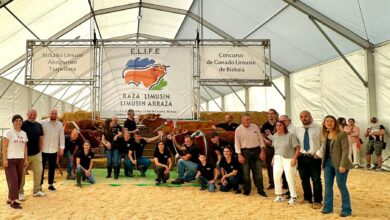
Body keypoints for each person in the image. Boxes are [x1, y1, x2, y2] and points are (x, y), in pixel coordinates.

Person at [321, 115, 353, 217]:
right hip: (327, 164)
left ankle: (346, 210)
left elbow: (345, 150)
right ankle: (327, 208)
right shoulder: (325, 134)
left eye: (331, 121)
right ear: (324, 123)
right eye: (327, 121)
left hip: (340, 164)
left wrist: (342, 165)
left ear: (335, 123)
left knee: (341, 186)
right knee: (328, 186)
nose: (329, 123)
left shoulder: (342, 134)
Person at [267, 121, 300, 205]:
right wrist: (274, 158)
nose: (278, 127)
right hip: (277, 158)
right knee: (276, 177)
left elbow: (297, 148)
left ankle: (293, 197)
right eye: (277, 125)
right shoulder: (275, 136)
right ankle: (279, 196)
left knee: (290, 178)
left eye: (280, 125)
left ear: (284, 126)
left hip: (289, 159)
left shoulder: (290, 136)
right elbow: (276, 148)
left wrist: (294, 159)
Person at [295, 110, 323, 209]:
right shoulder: (297, 129)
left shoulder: (319, 128)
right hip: (302, 157)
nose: (304, 118)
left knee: (316, 180)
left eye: (306, 116)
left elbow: (324, 142)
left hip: (314, 158)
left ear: (310, 116)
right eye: (301, 117)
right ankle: (307, 198)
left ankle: (317, 200)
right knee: (304, 180)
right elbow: (296, 143)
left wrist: (319, 154)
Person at [235, 113, 267, 197]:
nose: (249, 121)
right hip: (244, 153)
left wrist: (262, 151)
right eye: (247, 120)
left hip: (256, 152)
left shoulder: (255, 127)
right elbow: (237, 143)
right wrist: (239, 155)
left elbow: (260, 139)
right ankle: (247, 190)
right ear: (242, 120)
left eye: (250, 119)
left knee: (259, 173)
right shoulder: (238, 130)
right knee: (245, 173)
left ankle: (261, 190)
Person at [2, 115, 28, 209]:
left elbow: (25, 147)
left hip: (20, 159)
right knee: (13, 180)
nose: (18, 122)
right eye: (16, 121)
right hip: (10, 160)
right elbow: (4, 147)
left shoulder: (24, 134)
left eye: (20, 121)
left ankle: (10, 198)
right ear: (13, 122)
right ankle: (13, 201)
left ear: (22, 122)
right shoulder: (8, 132)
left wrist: (26, 159)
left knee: (19, 180)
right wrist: (4, 159)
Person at [19, 108, 45, 199]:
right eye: (31, 114)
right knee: (21, 174)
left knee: (38, 173)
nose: (33, 116)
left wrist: (40, 151)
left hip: (37, 154)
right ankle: (20, 193)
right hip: (24, 155)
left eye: (34, 114)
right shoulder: (23, 125)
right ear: (27, 114)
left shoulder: (39, 125)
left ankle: (37, 191)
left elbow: (41, 139)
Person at [41, 109, 65, 191]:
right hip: (43, 149)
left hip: (54, 150)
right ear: (49, 114)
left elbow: (62, 137)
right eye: (52, 113)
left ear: (57, 115)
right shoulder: (42, 123)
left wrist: (61, 148)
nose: (53, 115)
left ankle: (50, 184)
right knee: (41, 168)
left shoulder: (60, 124)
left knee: (52, 168)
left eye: (55, 113)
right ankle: (39, 185)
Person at [260, 109, 278, 190]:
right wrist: (266, 140)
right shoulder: (265, 125)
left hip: (279, 147)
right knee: (270, 165)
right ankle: (272, 183)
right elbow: (262, 135)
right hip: (269, 147)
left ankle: (284, 183)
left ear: (275, 115)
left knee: (282, 164)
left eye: (272, 113)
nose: (270, 115)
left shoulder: (279, 124)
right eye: (269, 114)